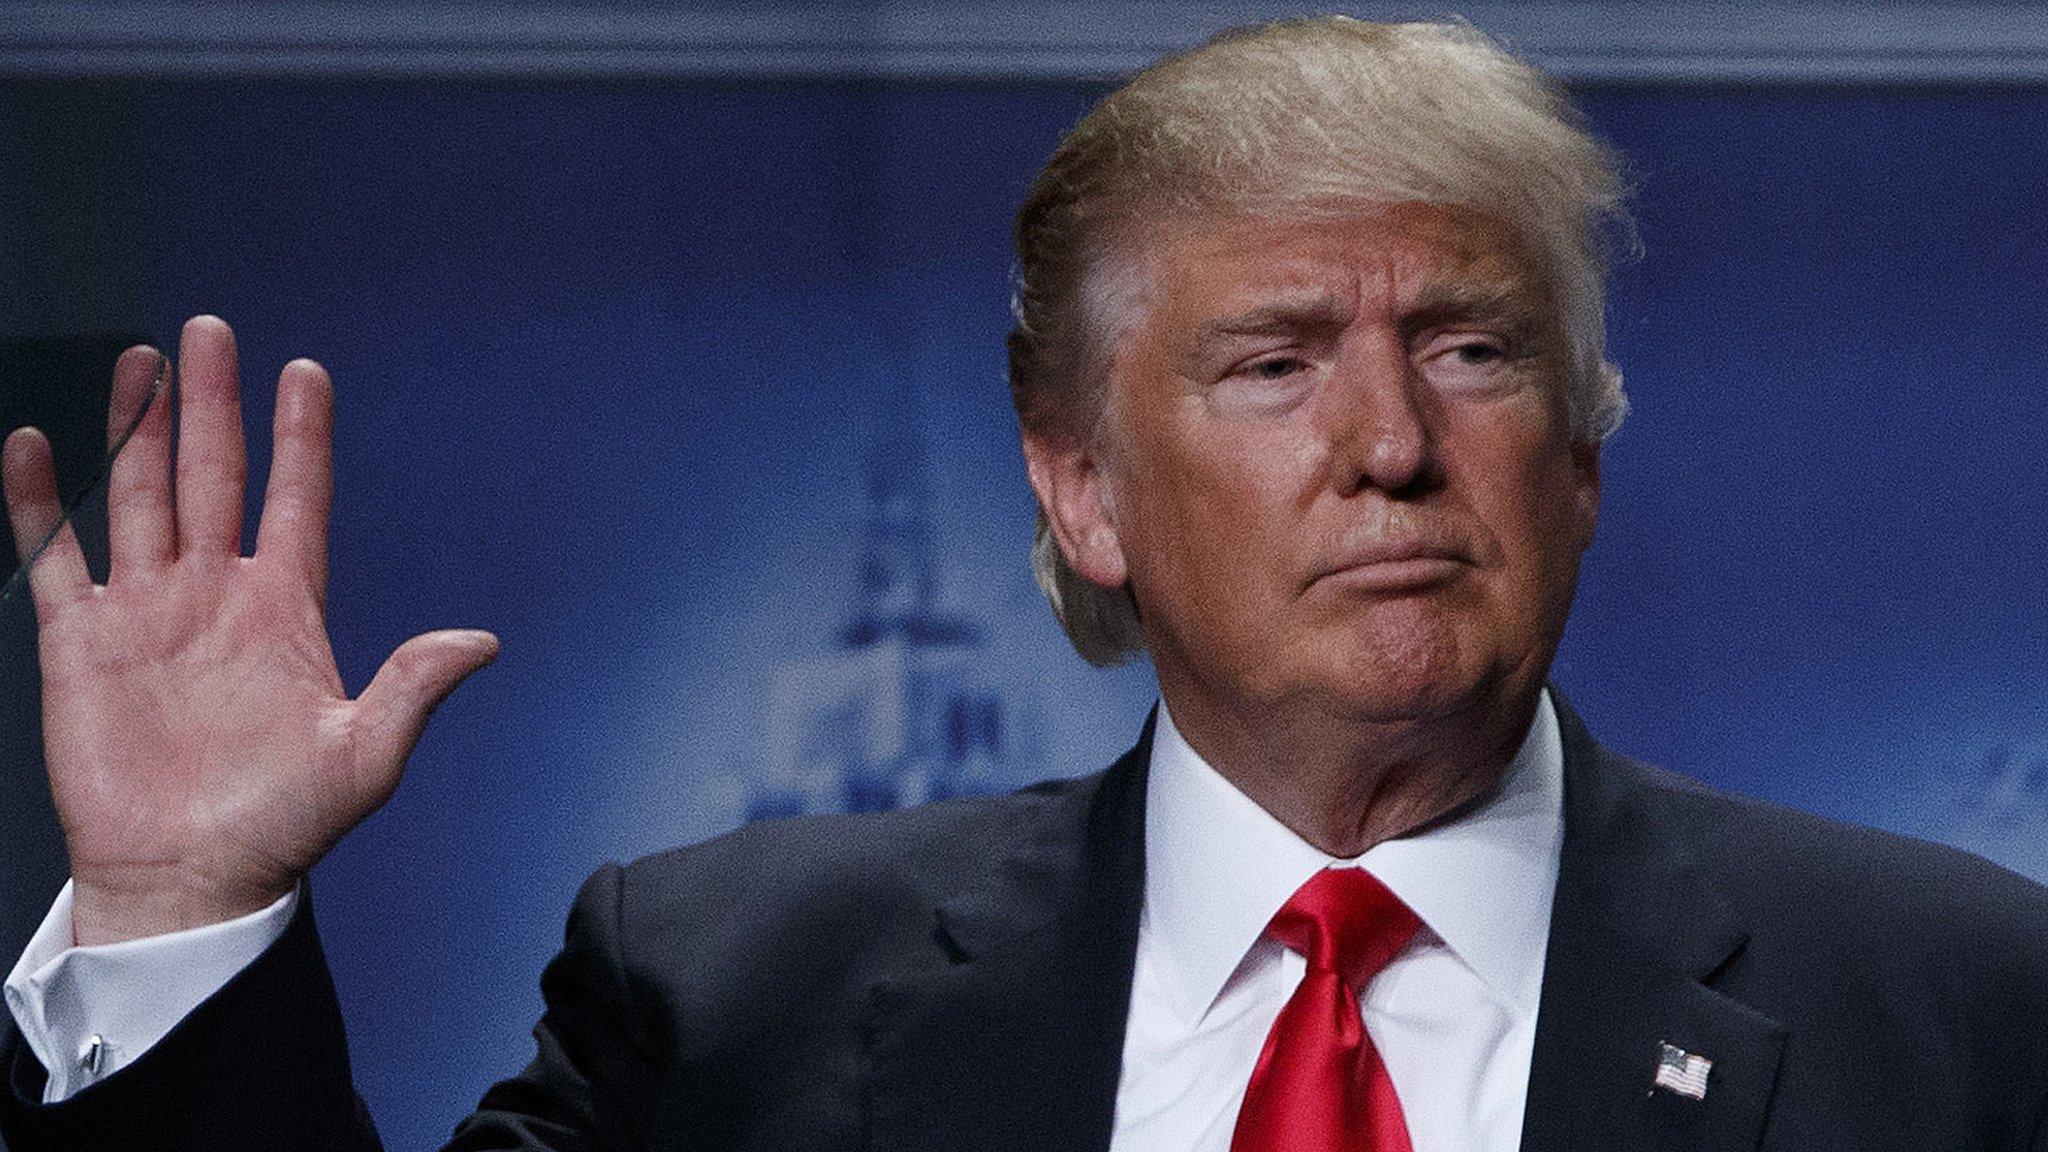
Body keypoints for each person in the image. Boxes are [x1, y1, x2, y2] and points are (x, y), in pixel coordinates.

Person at [3, 16, 2046, 1152]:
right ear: (1081, 495)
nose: (1393, 439)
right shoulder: (734, 1005)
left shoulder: (1958, 1011)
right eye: (1271, 363)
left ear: (1581, 454)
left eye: (1472, 346)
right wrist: (184, 920)